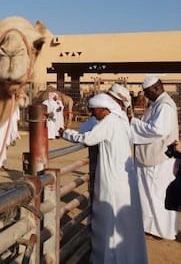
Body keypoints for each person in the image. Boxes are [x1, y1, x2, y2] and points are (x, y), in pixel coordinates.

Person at [60, 93, 147, 264]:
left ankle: (108, 258)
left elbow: (88, 139)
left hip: (112, 179)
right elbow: (88, 128)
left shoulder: (109, 123)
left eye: (94, 111)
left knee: (108, 219)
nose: (93, 115)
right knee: (122, 221)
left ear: (103, 109)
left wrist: (66, 134)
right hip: (122, 178)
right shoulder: (118, 120)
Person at [130, 76, 179, 240]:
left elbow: (158, 130)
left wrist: (134, 123)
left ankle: (162, 231)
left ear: (155, 88)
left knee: (158, 196)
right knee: (147, 195)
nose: (145, 96)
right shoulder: (156, 104)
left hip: (160, 159)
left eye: (146, 92)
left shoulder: (164, 106)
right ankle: (150, 228)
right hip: (149, 157)